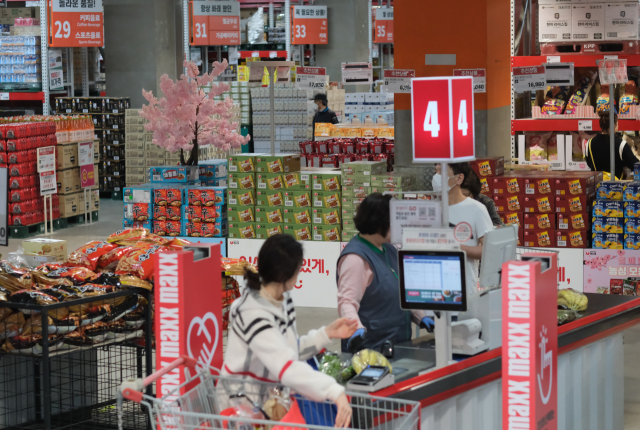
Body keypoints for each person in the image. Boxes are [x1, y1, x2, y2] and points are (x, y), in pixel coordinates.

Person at [223, 235, 357, 428]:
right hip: (243, 405)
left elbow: (288, 350)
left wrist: (327, 333)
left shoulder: (282, 300)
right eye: (298, 269)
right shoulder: (252, 312)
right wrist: (334, 391)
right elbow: (286, 367)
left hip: (265, 402)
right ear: (286, 274)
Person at [337, 193, 434, 353]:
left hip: (397, 342)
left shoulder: (389, 249)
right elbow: (346, 301)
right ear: (377, 223)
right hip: (371, 348)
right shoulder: (355, 258)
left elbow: (400, 291)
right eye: (394, 223)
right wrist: (356, 328)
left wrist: (420, 316)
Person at [446, 162, 494, 295]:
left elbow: (489, 249)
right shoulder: (431, 210)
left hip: (465, 289)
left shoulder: (476, 209)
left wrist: (457, 247)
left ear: (459, 178)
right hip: (435, 289)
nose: (437, 177)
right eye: (435, 173)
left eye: (442, 173)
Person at [586, 112, 639, 179]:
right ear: (614, 125)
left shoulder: (589, 143)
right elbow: (635, 165)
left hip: (597, 186)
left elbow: (589, 163)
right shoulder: (621, 144)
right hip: (616, 187)